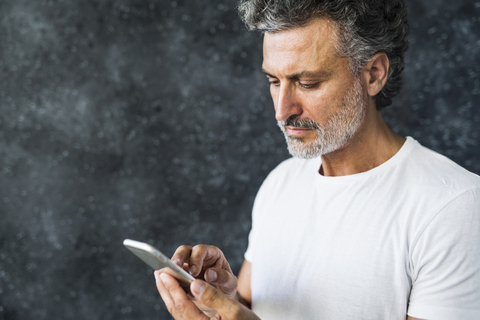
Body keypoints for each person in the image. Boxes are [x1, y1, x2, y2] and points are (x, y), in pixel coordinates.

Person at [155, 0, 480, 319]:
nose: (283, 111)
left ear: (374, 74)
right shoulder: (281, 182)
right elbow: (257, 310)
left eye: (307, 83)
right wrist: (224, 299)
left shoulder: (453, 207)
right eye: (274, 81)